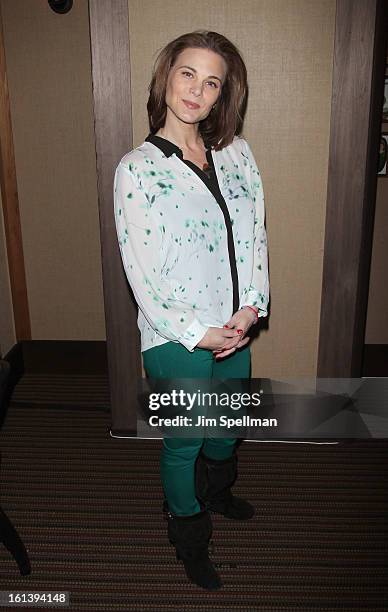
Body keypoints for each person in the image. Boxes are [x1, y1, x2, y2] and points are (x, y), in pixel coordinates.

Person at [114, 30, 269, 590]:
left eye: (212, 82)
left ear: (222, 95)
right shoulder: (137, 168)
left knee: (227, 428)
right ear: (166, 75)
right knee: (186, 442)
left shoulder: (236, 153)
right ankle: (188, 537)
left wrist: (251, 309)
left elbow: (255, 236)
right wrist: (197, 333)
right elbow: (142, 273)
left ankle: (218, 495)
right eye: (188, 74)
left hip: (237, 327)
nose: (197, 91)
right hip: (176, 336)